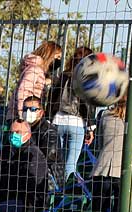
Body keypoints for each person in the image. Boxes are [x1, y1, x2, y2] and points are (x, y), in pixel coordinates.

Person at [46, 45, 97, 181]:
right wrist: (91, 128)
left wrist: (48, 118)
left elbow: (51, 98)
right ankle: (64, 190)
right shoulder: (87, 79)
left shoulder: (62, 76)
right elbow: (87, 105)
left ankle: (53, 187)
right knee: (71, 163)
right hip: (77, 123)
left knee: (57, 160)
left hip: (58, 121)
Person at [12, 41, 62, 123]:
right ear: (50, 55)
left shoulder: (39, 71)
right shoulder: (35, 69)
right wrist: (21, 116)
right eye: (58, 57)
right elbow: (23, 91)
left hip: (31, 114)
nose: (59, 61)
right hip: (25, 115)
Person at [21, 95, 62, 188]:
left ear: (41, 112)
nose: (27, 112)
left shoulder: (49, 132)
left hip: (48, 179)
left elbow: (47, 158)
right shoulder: (24, 129)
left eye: (32, 109)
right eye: (25, 109)